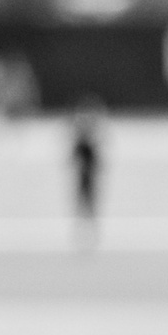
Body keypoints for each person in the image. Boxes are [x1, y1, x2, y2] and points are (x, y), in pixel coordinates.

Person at [68, 96, 107, 249]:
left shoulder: (87, 144)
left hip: (87, 177)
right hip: (84, 177)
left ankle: (88, 231)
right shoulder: (83, 144)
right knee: (84, 204)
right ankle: (85, 230)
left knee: (88, 204)